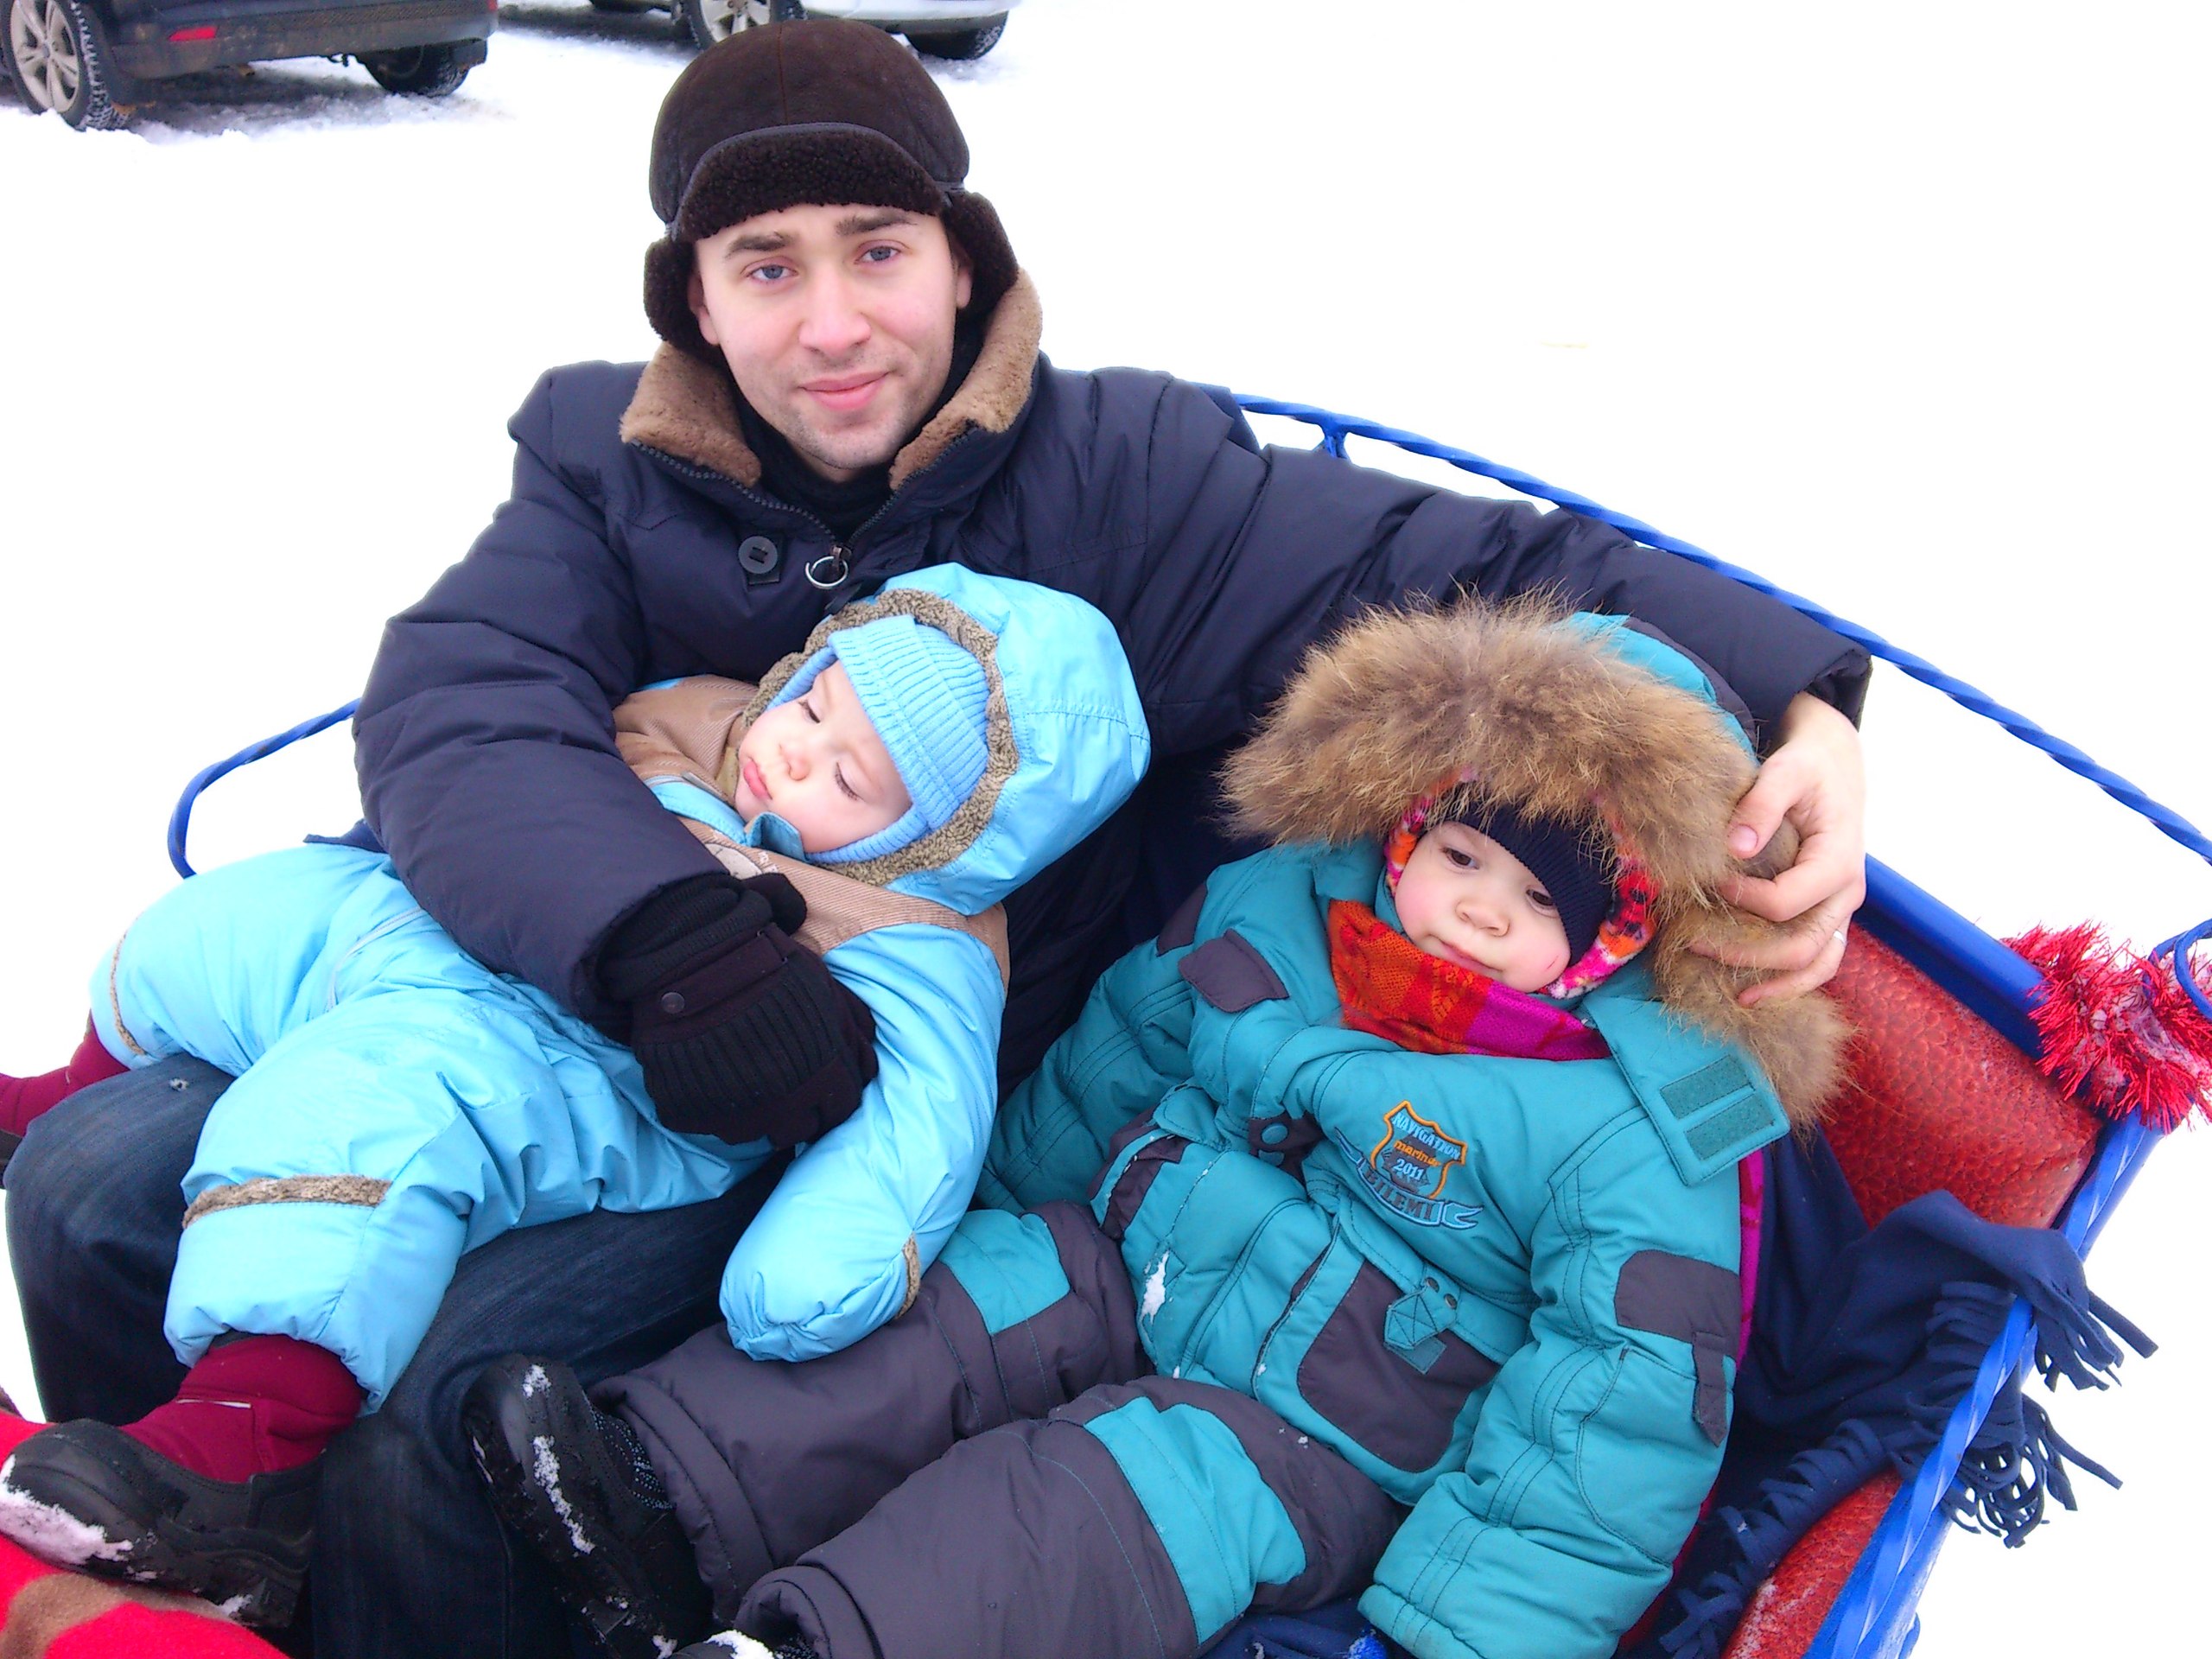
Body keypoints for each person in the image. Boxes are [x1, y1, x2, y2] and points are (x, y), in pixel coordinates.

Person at [3, 20, 1871, 1657]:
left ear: (962, 265)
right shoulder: (602, 463)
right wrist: (661, 936)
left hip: (840, 1104)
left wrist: (1807, 707)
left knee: (441, 1404)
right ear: (695, 299)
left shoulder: (1131, 482)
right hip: (554, 994)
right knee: (90, 1179)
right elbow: (467, 703)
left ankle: (372, 1585)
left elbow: (1513, 578)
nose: (830, 324)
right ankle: (197, 1542)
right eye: (766, 265)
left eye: (878, 251)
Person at [471, 596, 1848, 1659]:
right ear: (1410, 827)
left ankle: (820, 1645)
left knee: (1089, 1505)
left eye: (1541, 902)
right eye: (1462, 857)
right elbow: (1115, 1058)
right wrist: (994, 1203)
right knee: (967, 1310)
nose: (1480, 911)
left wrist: (1461, 1638)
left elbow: (1612, 1410)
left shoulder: (1636, 1123)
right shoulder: (1284, 909)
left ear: (1621, 935)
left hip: (1320, 1433)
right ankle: (656, 1488)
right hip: (1135, 1257)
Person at [0, 567, 1149, 1626]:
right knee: (243, 920)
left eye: (850, 779)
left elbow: (919, 1127)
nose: (795, 756)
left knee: (367, 1112)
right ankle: (63, 1093)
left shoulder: (918, 940)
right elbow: (514, 733)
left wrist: (811, 1271)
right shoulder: (698, 717)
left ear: (945, 837)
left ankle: (249, 1440)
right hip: (470, 933)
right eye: (812, 706)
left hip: (586, 1072)